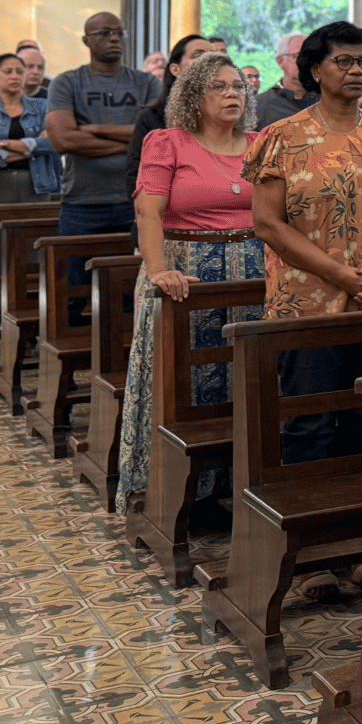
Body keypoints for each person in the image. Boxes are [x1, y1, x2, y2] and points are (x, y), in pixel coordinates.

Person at [242, 22, 362, 465]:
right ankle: (309, 528)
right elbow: (267, 223)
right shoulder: (282, 136)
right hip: (307, 301)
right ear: (315, 70)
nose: (357, 70)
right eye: (343, 61)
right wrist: (341, 275)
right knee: (311, 422)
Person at [116, 53, 263, 517]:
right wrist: (159, 272)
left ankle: (241, 491)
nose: (232, 94)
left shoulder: (261, 143)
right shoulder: (168, 142)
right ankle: (173, 495)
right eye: (219, 87)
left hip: (254, 275)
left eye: (238, 86)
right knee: (185, 381)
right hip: (186, 273)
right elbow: (148, 212)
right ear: (193, 96)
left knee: (246, 381)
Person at [46, 13, 161, 316]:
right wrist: (134, 144)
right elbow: (62, 140)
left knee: (132, 293)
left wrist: (94, 128)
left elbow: (157, 137)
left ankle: (127, 356)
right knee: (73, 294)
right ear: (86, 40)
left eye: (120, 33)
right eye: (105, 32)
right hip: (83, 203)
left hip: (135, 201)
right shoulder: (68, 82)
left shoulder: (146, 82)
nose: (114, 38)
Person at [124, 33, 214, 200]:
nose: (209, 61)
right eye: (198, 56)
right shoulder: (152, 117)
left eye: (214, 57)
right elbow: (136, 181)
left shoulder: (229, 116)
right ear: (175, 69)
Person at [0, 53, 60, 205]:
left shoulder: (43, 107)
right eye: (8, 72)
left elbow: (54, 143)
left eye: (20, 72)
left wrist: (5, 144)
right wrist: (32, 149)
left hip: (35, 184)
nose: (15, 76)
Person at [255, 32, 319, 126]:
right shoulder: (259, 106)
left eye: (311, 55)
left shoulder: (329, 101)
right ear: (280, 61)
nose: (306, 61)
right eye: (297, 56)